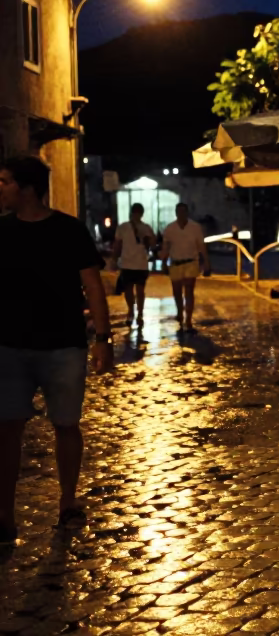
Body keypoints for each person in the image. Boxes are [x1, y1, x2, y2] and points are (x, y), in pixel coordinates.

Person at [0, 156, 113, 545]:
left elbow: (92, 285)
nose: (0, 189)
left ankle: (67, 501)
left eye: (5, 182)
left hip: (63, 345)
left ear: (27, 188)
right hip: (10, 346)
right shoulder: (1, 231)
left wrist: (103, 339)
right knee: (7, 429)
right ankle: (4, 514)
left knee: (66, 424)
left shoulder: (69, 230)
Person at [160, 203, 210, 333]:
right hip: (176, 262)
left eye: (183, 212)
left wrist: (206, 262)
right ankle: (179, 312)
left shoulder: (195, 227)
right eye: (179, 212)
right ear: (176, 213)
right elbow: (166, 247)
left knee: (189, 290)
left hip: (191, 262)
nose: (181, 214)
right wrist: (164, 262)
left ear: (187, 213)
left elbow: (201, 246)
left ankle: (188, 318)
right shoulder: (170, 228)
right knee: (177, 291)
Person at [112, 203, 156, 329]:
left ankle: (136, 312)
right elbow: (118, 245)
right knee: (133, 290)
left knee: (135, 290)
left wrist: (114, 259)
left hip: (137, 263)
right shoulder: (125, 227)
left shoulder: (143, 228)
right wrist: (115, 259)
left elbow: (152, 244)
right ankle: (134, 312)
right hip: (132, 263)